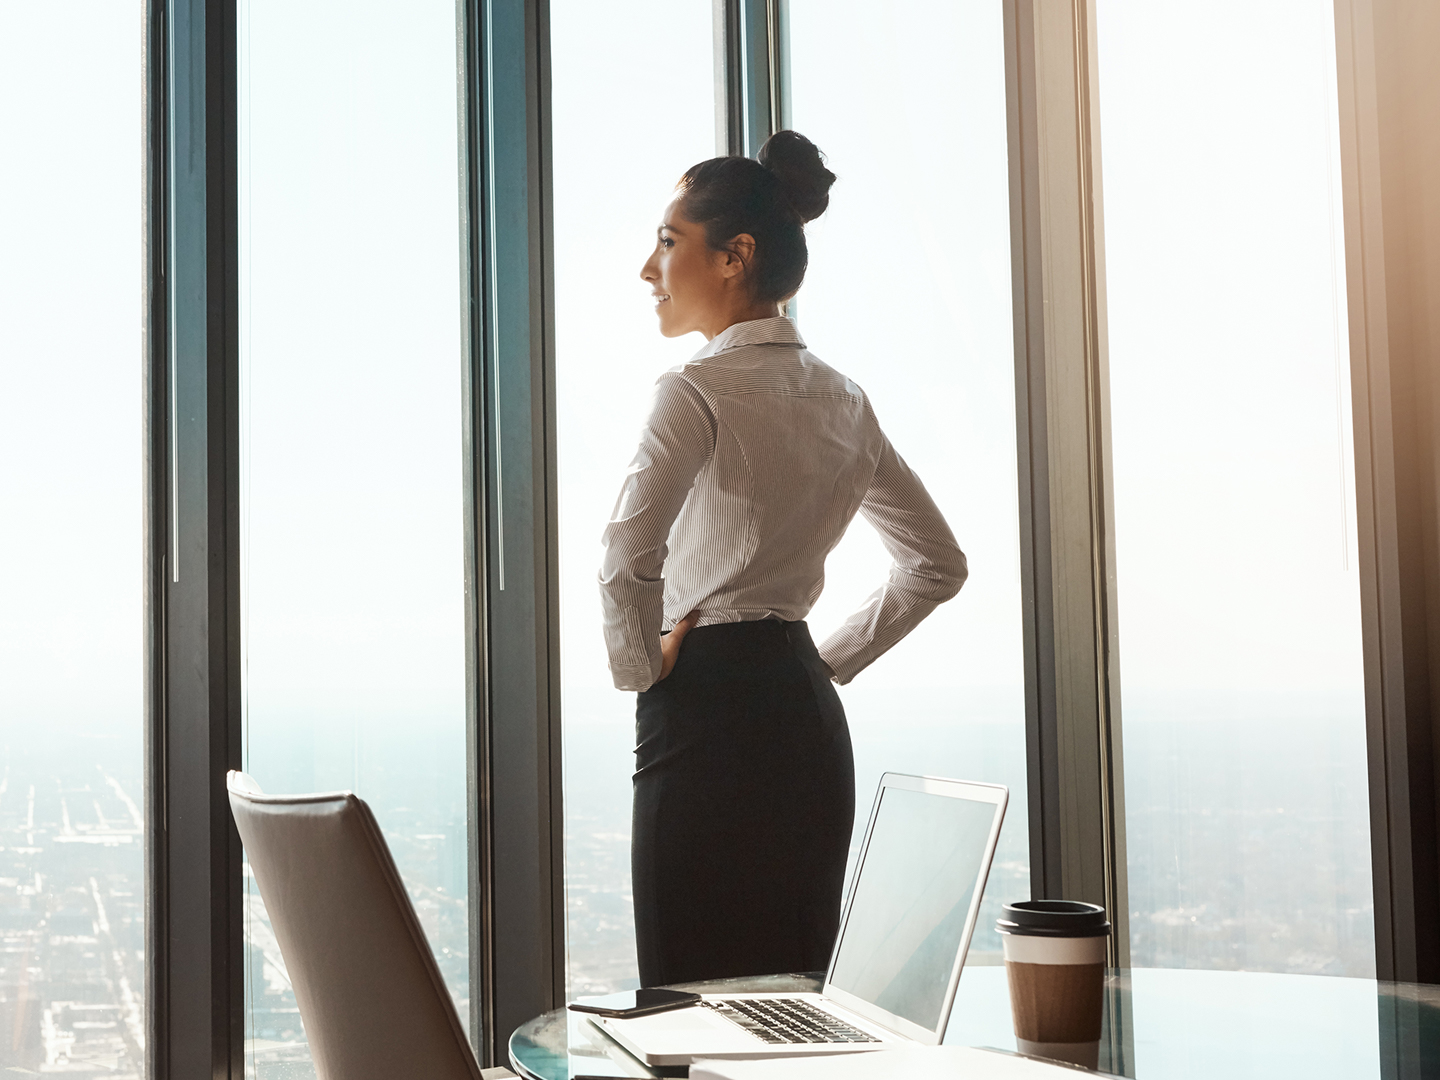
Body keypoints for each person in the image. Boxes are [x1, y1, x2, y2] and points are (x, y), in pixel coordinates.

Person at [599, 130, 967, 988]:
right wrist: (822, 663)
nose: (648, 270)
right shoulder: (844, 398)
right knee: (793, 999)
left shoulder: (694, 389)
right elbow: (937, 566)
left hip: (703, 712)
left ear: (736, 256)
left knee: (689, 1000)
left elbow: (626, 553)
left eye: (667, 242)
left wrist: (640, 669)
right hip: (804, 719)